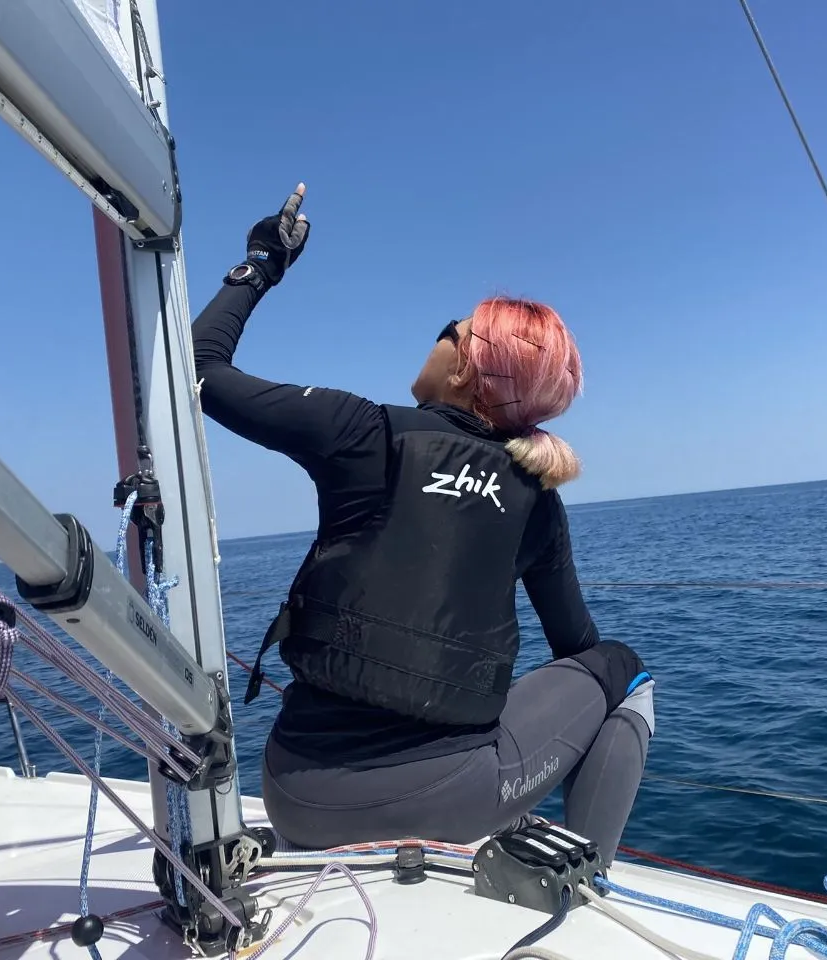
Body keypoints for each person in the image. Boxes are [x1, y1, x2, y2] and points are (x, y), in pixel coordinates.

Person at [192, 185, 655, 864]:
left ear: (465, 366)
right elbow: (577, 650)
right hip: (452, 800)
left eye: (449, 329)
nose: (436, 337)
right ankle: (586, 877)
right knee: (623, 670)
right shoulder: (537, 498)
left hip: (297, 796)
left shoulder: (360, 431)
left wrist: (263, 262)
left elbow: (200, 368)